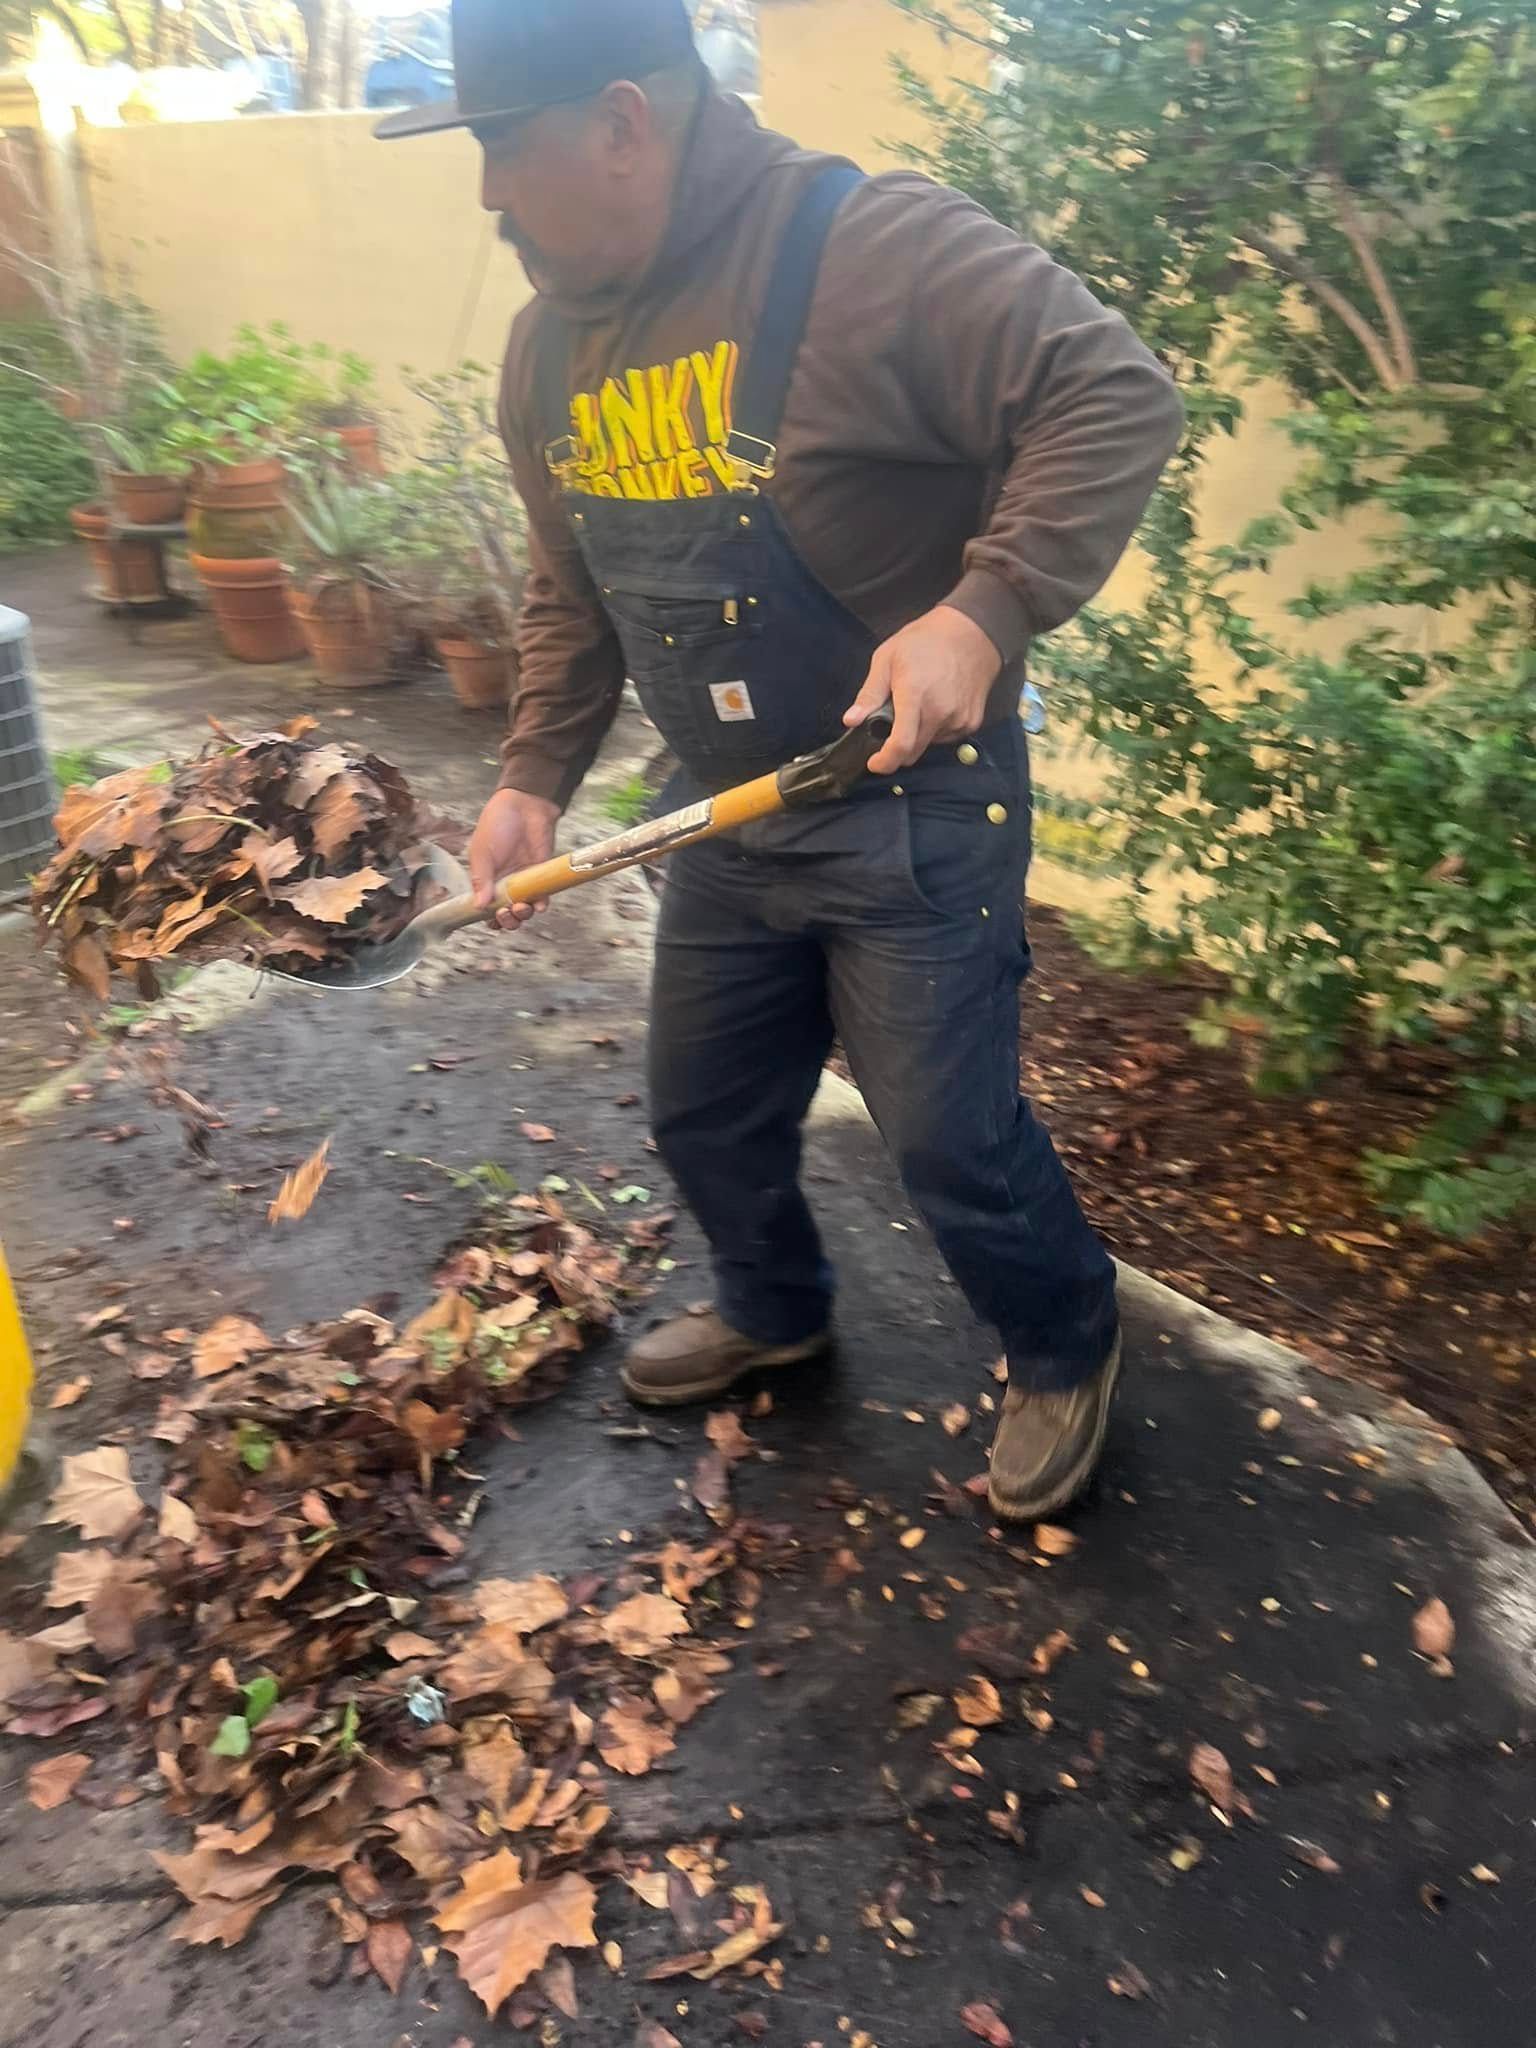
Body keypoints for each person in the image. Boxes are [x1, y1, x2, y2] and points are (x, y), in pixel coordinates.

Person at [377, 0, 1184, 1522]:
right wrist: (532, 775)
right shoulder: (549, 346)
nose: (486, 195)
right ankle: (775, 1302)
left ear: (624, 121)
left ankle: (1065, 1342)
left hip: (914, 806)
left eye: (502, 147)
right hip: (728, 817)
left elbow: (1114, 392)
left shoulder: (871, 251)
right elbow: (576, 582)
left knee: (948, 1136)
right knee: (702, 1102)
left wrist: (980, 610)